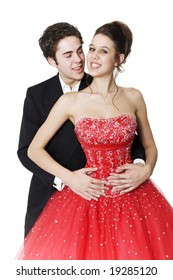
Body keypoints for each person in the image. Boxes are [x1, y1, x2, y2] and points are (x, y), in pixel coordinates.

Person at [16, 20, 173, 260]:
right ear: (52, 60)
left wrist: (145, 168)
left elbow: (143, 143)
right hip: (72, 196)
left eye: (84, 50)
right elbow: (29, 150)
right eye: (89, 50)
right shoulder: (47, 97)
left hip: (129, 196)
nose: (83, 58)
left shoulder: (131, 95)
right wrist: (68, 179)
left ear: (118, 59)